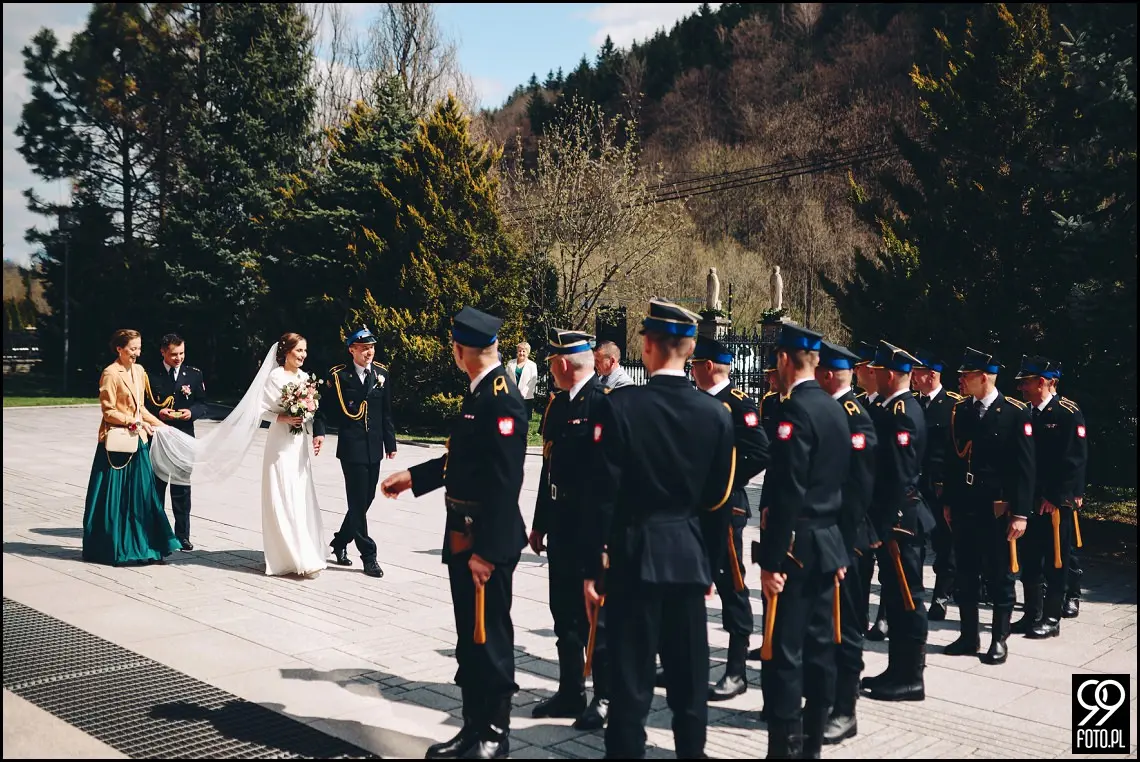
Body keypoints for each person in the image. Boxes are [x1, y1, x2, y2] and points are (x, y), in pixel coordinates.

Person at [583, 299, 735, 759]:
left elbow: (602, 497)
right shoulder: (716, 415)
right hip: (687, 557)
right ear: (690, 350)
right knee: (689, 685)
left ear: (646, 347)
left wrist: (594, 566)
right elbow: (718, 503)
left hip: (634, 556)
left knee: (630, 686)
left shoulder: (620, 407)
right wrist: (709, 565)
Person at [380, 306, 528, 760]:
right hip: (463, 533)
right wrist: (415, 477)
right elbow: (465, 460)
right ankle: (472, 728)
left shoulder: (501, 399)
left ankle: (495, 736)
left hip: (484, 541)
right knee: (470, 637)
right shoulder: (480, 392)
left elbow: (506, 481)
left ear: (461, 351)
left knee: (491, 638)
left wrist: (488, 550)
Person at [755, 323, 849, 759]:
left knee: (785, 653)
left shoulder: (796, 411)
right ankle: (810, 747)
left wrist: (772, 561)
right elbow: (847, 486)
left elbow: (789, 489)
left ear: (784, 359)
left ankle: (784, 750)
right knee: (819, 649)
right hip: (827, 543)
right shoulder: (834, 409)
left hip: (796, 548)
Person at [529, 328, 612, 730]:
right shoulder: (558, 405)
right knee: (563, 611)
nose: (551, 370)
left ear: (563, 364)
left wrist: (604, 542)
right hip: (561, 522)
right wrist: (539, 523)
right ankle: (570, 691)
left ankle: (605, 696)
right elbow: (549, 468)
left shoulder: (603, 405)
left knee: (595, 615)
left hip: (590, 529)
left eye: (552, 364)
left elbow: (611, 482)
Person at [942, 348, 1034, 665]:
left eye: (966, 375)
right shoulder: (961, 410)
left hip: (997, 508)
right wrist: (949, 502)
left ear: (983, 377)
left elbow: (1025, 469)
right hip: (966, 504)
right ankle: (969, 636)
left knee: (999, 575)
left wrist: (1020, 513)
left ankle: (999, 638)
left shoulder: (1013, 412)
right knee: (965, 572)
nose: (961, 380)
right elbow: (954, 462)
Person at [691, 335, 770, 702]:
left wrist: (722, 478)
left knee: (731, 584)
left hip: (726, 506)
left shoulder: (738, 404)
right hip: (692, 508)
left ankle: (736, 669)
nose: (690, 370)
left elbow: (758, 451)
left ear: (708, 366)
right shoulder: (696, 401)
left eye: (694, 365)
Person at [860, 341, 931, 703]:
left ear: (889, 374)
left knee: (907, 597)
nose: (870, 374)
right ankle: (897, 669)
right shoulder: (890, 407)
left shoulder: (903, 411)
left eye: (875, 370)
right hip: (892, 520)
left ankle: (911, 678)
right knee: (894, 593)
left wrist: (881, 524)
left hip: (899, 521)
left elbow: (899, 474)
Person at [815, 341, 877, 744]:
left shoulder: (854, 417)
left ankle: (845, 708)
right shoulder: (831, 411)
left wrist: (842, 541)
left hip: (847, 540)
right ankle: (825, 697)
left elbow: (859, 489)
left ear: (826, 375)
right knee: (824, 623)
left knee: (847, 624)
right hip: (827, 538)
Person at [83, 329, 182, 566]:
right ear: (119, 348)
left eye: (139, 348)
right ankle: (112, 547)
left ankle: (145, 544)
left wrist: (163, 427)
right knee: (115, 498)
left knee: (142, 496)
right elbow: (109, 411)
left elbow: (142, 409)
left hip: (138, 443)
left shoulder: (139, 371)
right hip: (116, 445)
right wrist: (133, 422)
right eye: (132, 349)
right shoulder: (110, 373)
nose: (137, 353)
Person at [1013, 356, 1087, 638]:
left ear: (1042, 382)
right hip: (1030, 499)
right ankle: (1032, 612)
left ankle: (1052, 617)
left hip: (1054, 503)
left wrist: (1056, 497)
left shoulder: (1067, 413)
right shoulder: (1027, 412)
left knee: (1056, 559)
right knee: (1030, 557)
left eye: (1026, 382)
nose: (1021, 388)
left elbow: (1074, 461)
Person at [320, 327, 396, 579]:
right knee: (356, 501)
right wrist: (318, 432)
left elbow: (385, 412)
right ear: (352, 350)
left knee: (366, 500)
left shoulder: (382, 373)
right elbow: (323, 409)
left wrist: (390, 443)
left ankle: (340, 540)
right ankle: (369, 555)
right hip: (352, 448)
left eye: (371, 347)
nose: (369, 352)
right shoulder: (340, 376)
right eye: (363, 348)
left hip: (374, 447)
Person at [912, 350, 963, 621]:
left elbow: (958, 452)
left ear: (931, 374)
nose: (912, 377)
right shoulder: (912, 403)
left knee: (944, 545)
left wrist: (951, 491)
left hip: (941, 487)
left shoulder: (953, 405)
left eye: (917, 372)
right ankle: (915, 593)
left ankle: (941, 596)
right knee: (914, 542)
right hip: (916, 486)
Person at [144, 333, 208, 551]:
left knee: (181, 488)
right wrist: (158, 412)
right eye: (173, 354)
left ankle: (183, 535)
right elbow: (142, 403)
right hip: (159, 436)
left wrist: (190, 413)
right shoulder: (149, 374)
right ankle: (157, 532)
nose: (178, 358)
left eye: (181, 353)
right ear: (163, 352)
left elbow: (202, 403)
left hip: (184, 437)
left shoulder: (194, 374)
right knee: (157, 486)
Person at [853, 340, 889, 643]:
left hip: (884, 497)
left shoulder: (894, 407)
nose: (857, 372)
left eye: (862, 367)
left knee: (889, 564)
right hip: (862, 498)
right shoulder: (861, 403)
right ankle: (860, 613)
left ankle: (884, 617)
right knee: (861, 561)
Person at [506, 341, 539, 418]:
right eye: (519, 351)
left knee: (523, 420)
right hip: (512, 396)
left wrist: (522, 393)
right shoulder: (510, 363)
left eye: (524, 351)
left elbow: (533, 381)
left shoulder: (532, 365)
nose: (521, 353)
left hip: (526, 397)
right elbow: (506, 378)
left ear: (528, 353)